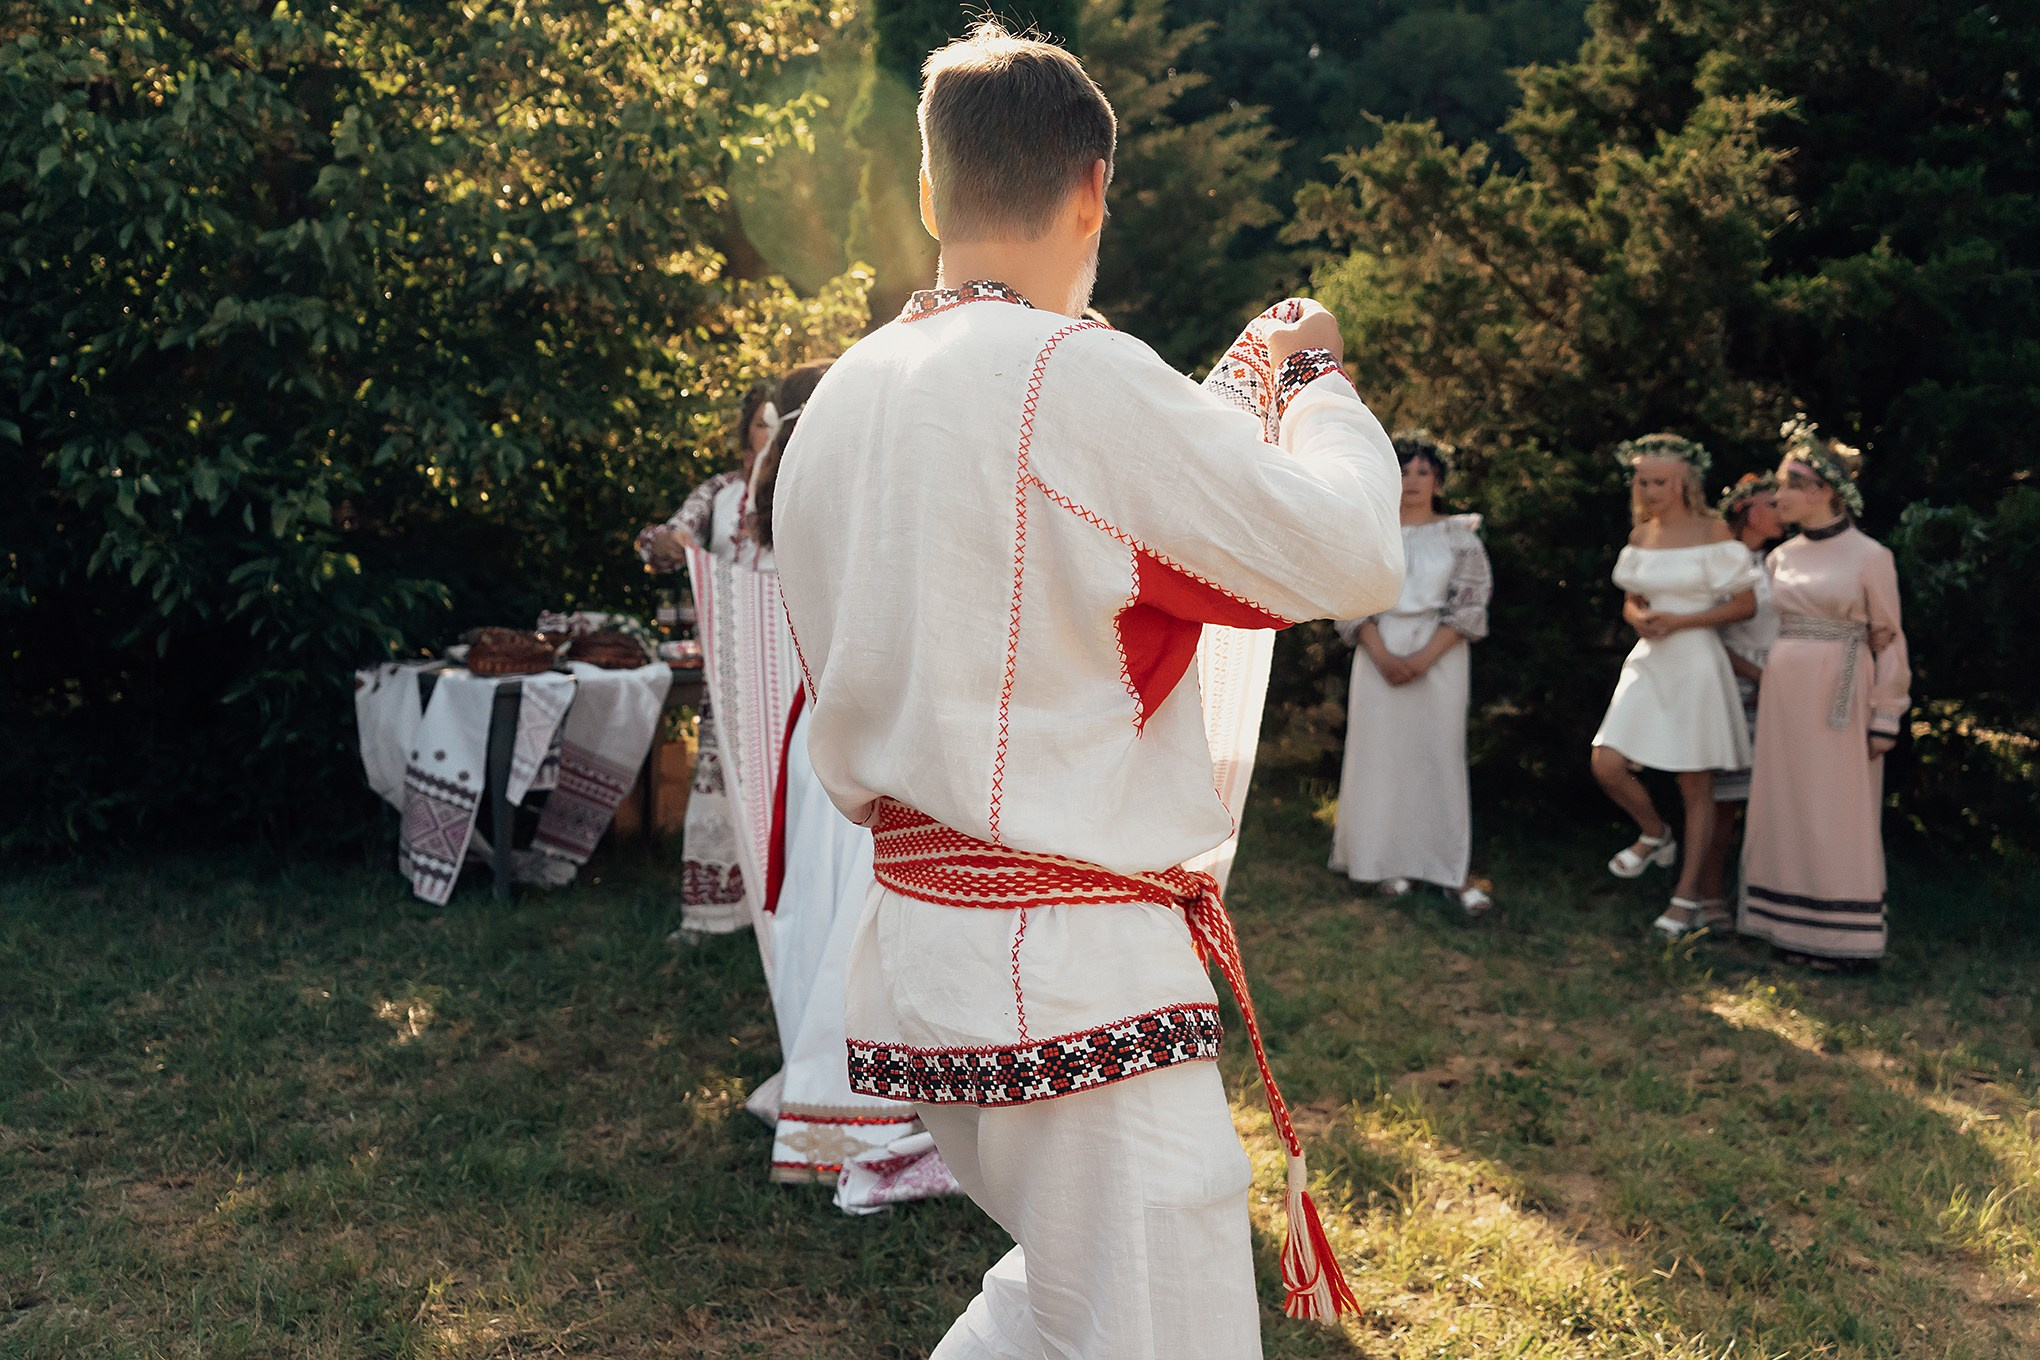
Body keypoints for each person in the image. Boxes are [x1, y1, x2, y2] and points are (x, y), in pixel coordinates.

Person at [773, 22, 1403, 1357]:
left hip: (921, 949)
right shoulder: (1071, 375)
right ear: (1094, 187)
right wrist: (1319, 383)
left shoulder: (839, 401)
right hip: (1064, 971)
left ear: (935, 193)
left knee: (1063, 1306)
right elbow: (1347, 551)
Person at [1740, 419, 1910, 969]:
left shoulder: (1870, 556)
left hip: (1843, 689)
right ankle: (1786, 926)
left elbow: (1888, 637)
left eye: (1789, 486)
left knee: (1835, 805)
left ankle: (1845, 940)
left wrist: (1887, 712)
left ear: (1823, 492)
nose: (1778, 497)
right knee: (1784, 799)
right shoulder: (1782, 556)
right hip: (1786, 693)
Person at [1589, 433, 1758, 939]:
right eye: (1642, 480)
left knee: (1695, 782)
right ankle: (1655, 833)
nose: (1648, 489)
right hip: (1649, 658)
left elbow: (1744, 605)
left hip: (1697, 660)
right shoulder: (1643, 535)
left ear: (1685, 483)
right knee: (1607, 761)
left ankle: (1686, 900)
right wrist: (1640, 617)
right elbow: (1632, 599)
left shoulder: (1713, 531)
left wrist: (1683, 622)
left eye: (1659, 481)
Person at [1329, 430, 1494, 917]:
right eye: (1403, 471)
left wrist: (1423, 659)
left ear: (1439, 482)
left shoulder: (1459, 536)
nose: (1413, 480)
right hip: (1377, 652)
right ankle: (1383, 861)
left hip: (1440, 656)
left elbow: (1470, 602)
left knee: (1436, 757)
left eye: (1424, 472)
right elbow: (1351, 596)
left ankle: (1445, 866)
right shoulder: (1370, 532)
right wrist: (1381, 654)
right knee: (1380, 756)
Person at [638, 386, 776, 939]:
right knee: (723, 785)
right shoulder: (720, 493)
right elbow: (657, 542)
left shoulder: (809, 488)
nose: (765, 449)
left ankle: (788, 915)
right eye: (758, 436)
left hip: (797, 668)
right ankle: (715, 918)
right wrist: (672, 543)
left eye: (776, 436)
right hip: (733, 668)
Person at [1692, 473, 1784, 919]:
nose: (1781, 512)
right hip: (1734, 681)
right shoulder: (1724, 562)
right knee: (1724, 799)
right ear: (1747, 511)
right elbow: (1708, 631)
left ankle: (1765, 898)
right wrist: (1755, 677)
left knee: (1770, 800)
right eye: (1771, 504)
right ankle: (1707, 893)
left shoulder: (1780, 561)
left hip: (1780, 684)